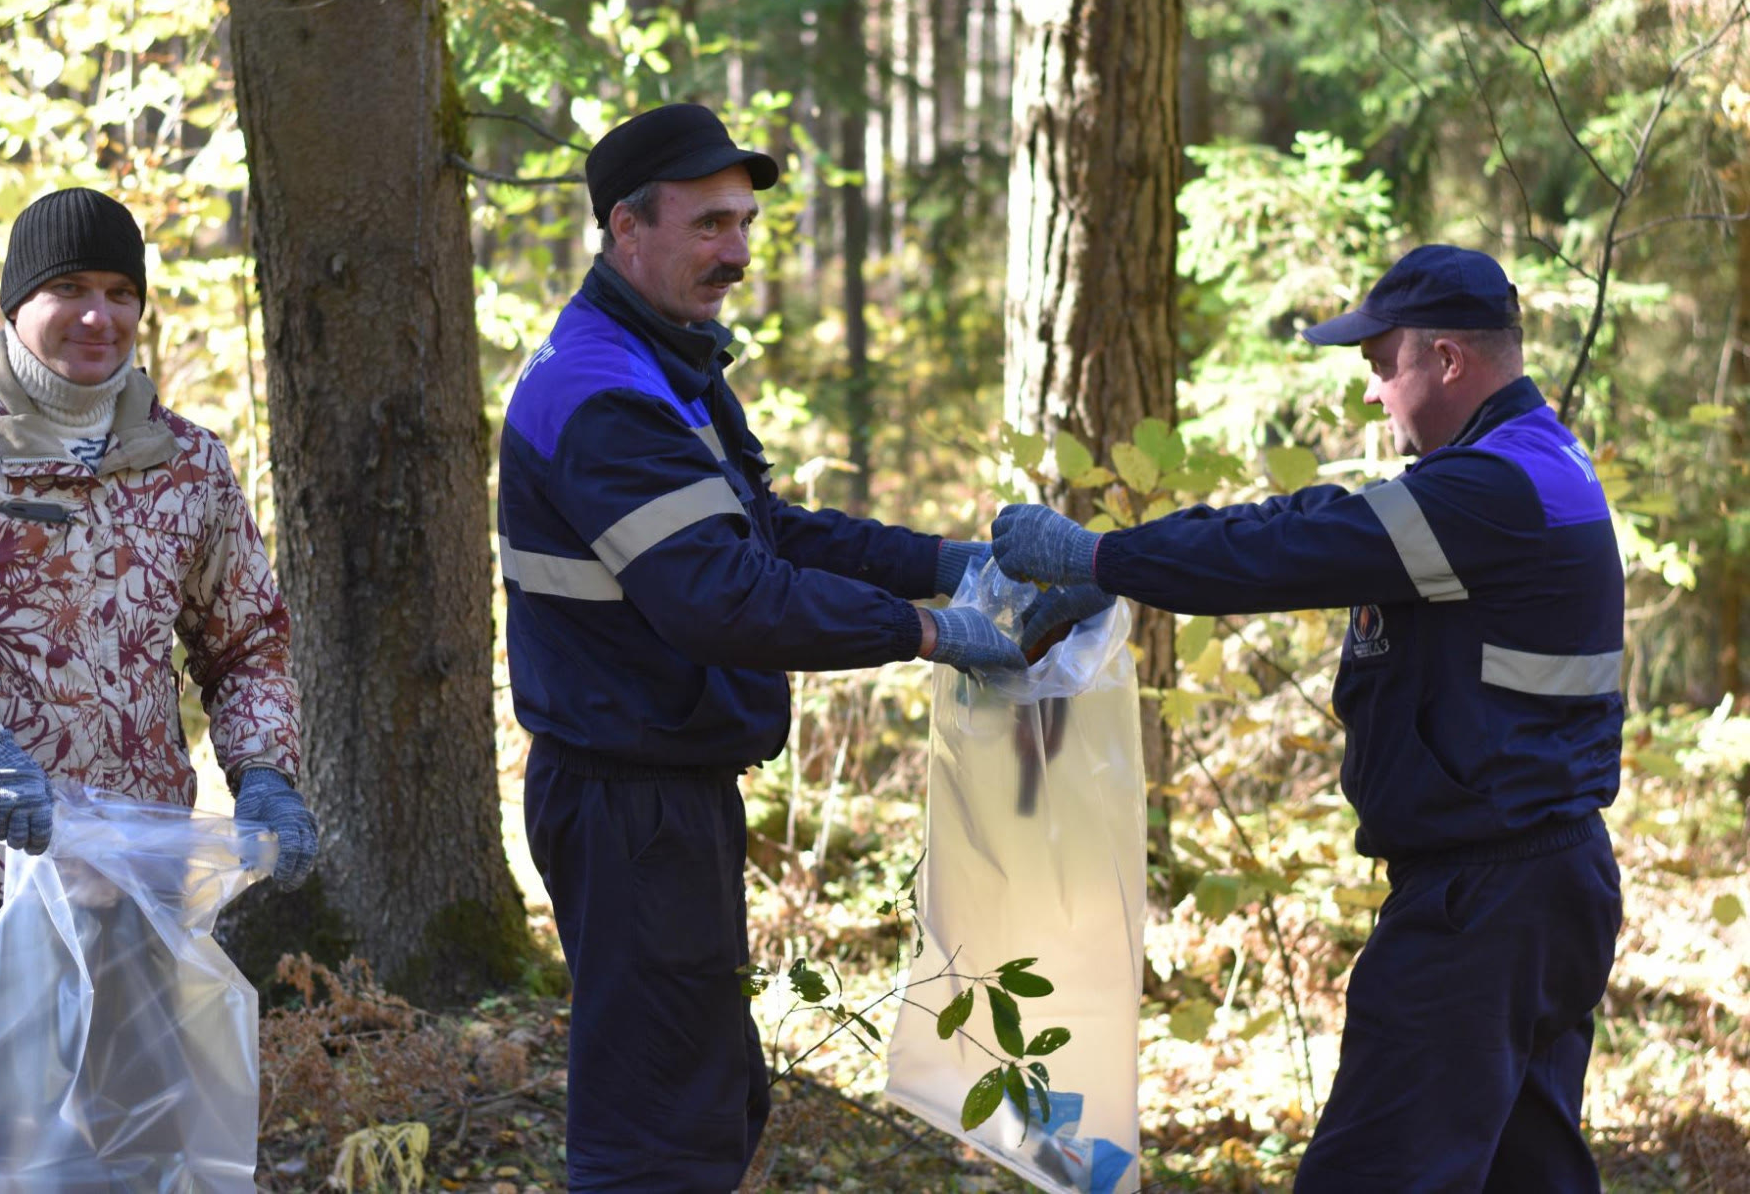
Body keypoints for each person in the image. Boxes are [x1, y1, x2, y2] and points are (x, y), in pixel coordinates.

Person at [990, 244, 1623, 1192]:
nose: (1373, 394)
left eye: (1382, 365)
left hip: (1484, 906)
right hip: (1538, 880)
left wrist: (1099, 560)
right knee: (1521, 1172)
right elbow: (1321, 524)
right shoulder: (1532, 462)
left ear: (1446, 359)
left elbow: (1293, 546)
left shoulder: (1491, 489)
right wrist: (1115, 565)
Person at [497, 102, 1022, 1190]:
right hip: (627, 799)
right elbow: (717, 596)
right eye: (707, 225)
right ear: (624, 228)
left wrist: (947, 562)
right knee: (659, 1131)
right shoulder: (602, 394)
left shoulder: (662, 368)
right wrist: (930, 631)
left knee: (705, 1095)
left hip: (660, 790)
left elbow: (767, 532)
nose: (735, 252)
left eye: (742, 224)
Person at [0, 188, 321, 1194]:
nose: (101, 315)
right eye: (70, 288)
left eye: (122, 292)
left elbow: (248, 641)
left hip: (128, 878)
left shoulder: (185, 466)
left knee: (122, 1155)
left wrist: (265, 772)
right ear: (14, 303)